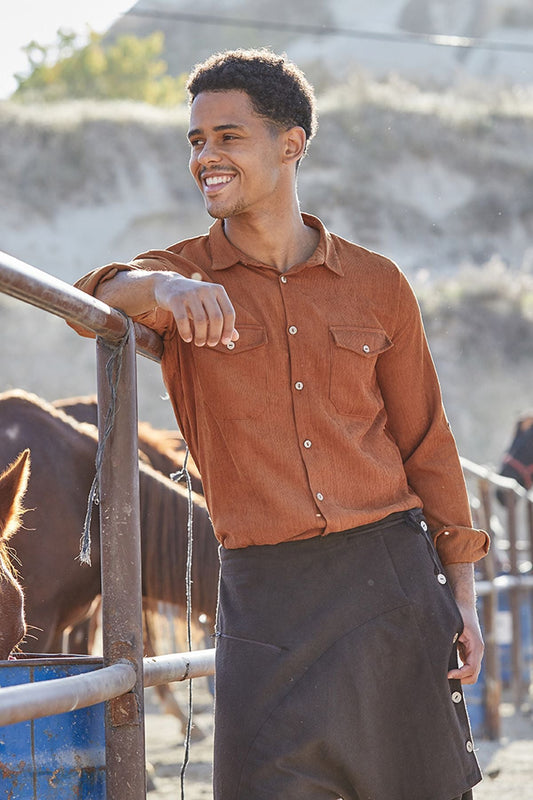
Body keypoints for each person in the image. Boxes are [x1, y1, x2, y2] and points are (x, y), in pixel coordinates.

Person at [70, 48, 489, 800]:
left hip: (388, 585)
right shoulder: (180, 275)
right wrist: (163, 283)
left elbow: (427, 443)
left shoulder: (377, 283)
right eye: (196, 141)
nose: (206, 157)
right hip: (268, 599)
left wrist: (459, 591)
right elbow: (97, 296)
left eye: (227, 136)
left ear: (289, 143)